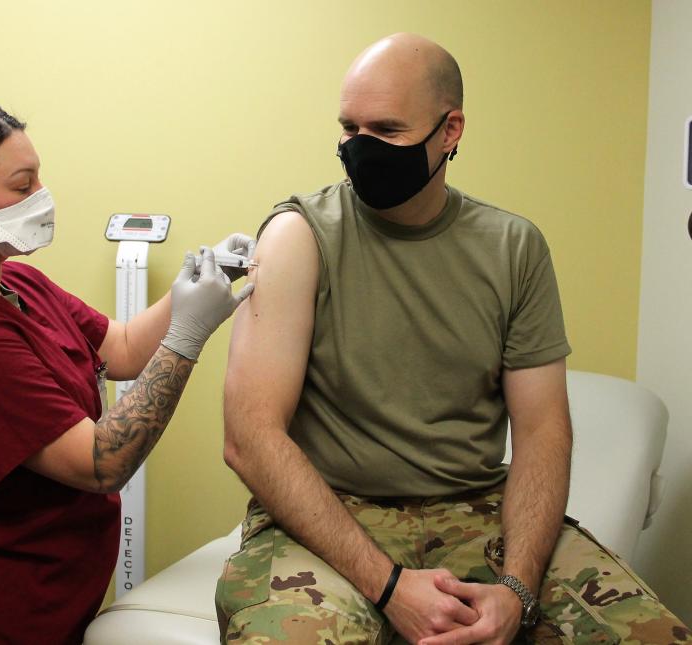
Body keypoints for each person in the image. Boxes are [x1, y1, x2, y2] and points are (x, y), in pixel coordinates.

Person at [215, 34, 691, 644]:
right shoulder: (299, 236)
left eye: (385, 130)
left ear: (450, 130)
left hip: (477, 512)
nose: (360, 149)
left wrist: (516, 590)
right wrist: (389, 587)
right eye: (348, 128)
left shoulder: (513, 248)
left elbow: (543, 430)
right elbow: (249, 437)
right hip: (329, 515)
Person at [0, 95, 254, 644]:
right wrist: (188, 335)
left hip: (54, 598)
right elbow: (101, 463)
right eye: (22, 185)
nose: (42, 198)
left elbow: (120, 347)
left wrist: (203, 277)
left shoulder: (12, 282)